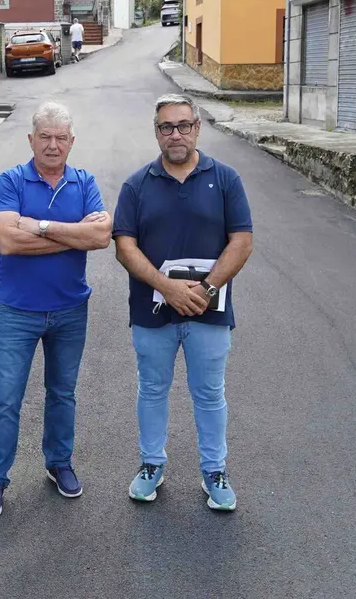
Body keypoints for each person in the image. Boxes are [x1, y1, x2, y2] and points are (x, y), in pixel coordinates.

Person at [112, 94, 253, 512]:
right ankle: (151, 465)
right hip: (151, 313)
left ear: (197, 127)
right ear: (156, 132)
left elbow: (241, 241)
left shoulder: (225, 179)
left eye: (183, 125)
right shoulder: (136, 185)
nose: (175, 134)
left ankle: (214, 471)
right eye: (165, 127)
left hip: (210, 314)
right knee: (152, 390)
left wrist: (206, 291)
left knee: (209, 394)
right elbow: (124, 246)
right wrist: (167, 288)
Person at [0, 101, 113, 518]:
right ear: (31, 140)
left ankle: (59, 464)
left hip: (70, 310)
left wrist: (38, 225)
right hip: (18, 311)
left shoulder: (84, 181)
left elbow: (102, 237)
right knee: (5, 397)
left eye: (60, 138)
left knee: (62, 394)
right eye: (45, 137)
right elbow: (8, 242)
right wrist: (75, 235)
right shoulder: (11, 180)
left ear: (71, 142)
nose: (52, 145)